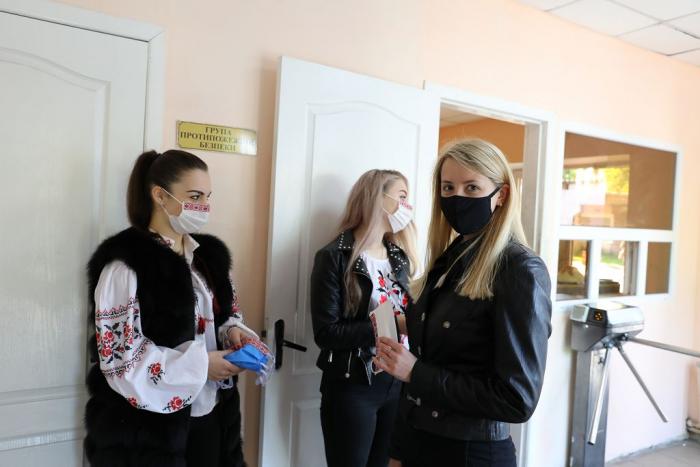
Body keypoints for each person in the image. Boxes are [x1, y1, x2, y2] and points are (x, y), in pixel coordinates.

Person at [375, 139, 552, 467]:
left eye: (472, 187)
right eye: (448, 187)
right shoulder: (449, 258)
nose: (457, 198)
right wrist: (398, 451)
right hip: (418, 440)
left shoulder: (520, 269)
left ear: (501, 195)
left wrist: (416, 372)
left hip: (471, 454)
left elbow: (516, 399)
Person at [84, 149, 256, 467]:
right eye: (194, 196)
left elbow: (225, 314)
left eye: (207, 197)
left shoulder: (208, 260)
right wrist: (200, 366)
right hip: (149, 433)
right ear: (160, 196)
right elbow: (121, 362)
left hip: (211, 414)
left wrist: (233, 332)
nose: (204, 207)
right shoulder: (126, 267)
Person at [310, 169, 419, 467]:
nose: (407, 206)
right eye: (401, 197)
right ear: (377, 198)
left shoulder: (399, 257)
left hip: (396, 382)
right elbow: (327, 333)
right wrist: (390, 324)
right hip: (353, 385)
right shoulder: (333, 257)